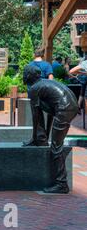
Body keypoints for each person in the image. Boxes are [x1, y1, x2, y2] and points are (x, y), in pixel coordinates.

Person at [22, 65, 78, 194]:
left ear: (30, 76)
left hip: (65, 109)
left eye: (25, 73)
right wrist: (42, 136)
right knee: (54, 143)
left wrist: (34, 138)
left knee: (56, 147)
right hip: (68, 107)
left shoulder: (34, 88)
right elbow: (49, 111)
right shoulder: (43, 84)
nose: (23, 76)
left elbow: (36, 116)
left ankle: (61, 183)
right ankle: (40, 139)